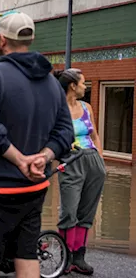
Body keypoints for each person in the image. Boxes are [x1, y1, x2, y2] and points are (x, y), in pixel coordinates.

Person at [0, 11, 75, 278]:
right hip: (33, 188)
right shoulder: (52, 82)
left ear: (2, 40)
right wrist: (43, 157)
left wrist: (20, 160)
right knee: (26, 255)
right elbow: (64, 132)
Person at [53, 68, 106, 275]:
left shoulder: (87, 107)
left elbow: (95, 136)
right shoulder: (57, 110)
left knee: (87, 211)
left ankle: (79, 257)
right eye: (83, 83)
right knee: (69, 211)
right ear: (73, 86)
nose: (85, 86)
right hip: (71, 161)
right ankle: (65, 257)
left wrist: (100, 159)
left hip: (92, 161)